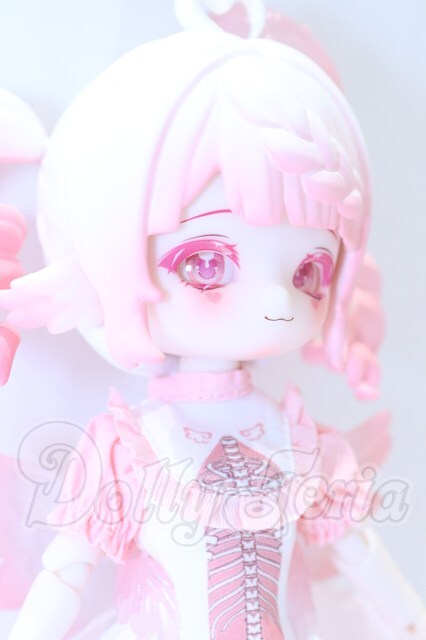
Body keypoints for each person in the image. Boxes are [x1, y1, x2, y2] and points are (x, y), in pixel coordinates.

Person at [1, 14, 424, 640]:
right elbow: (65, 572)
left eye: (308, 270)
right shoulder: (129, 447)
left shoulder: (300, 439)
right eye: (205, 262)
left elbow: (358, 553)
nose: (278, 297)